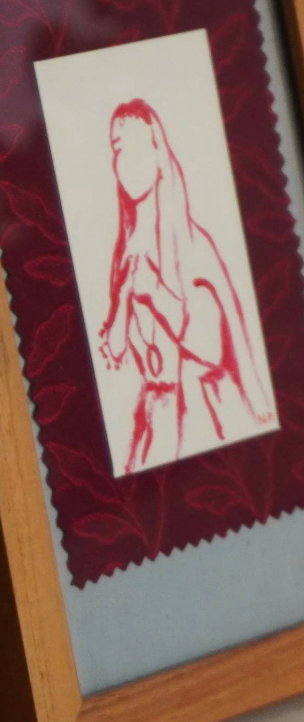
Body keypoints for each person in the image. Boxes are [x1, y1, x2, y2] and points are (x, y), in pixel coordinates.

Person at [98, 99, 274, 474]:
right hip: (155, 424)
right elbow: (114, 350)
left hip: (204, 418)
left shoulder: (193, 245)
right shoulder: (124, 253)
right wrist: (125, 294)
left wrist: (156, 295)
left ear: (158, 153)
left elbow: (217, 349)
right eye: (117, 149)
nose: (125, 160)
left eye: (134, 146)